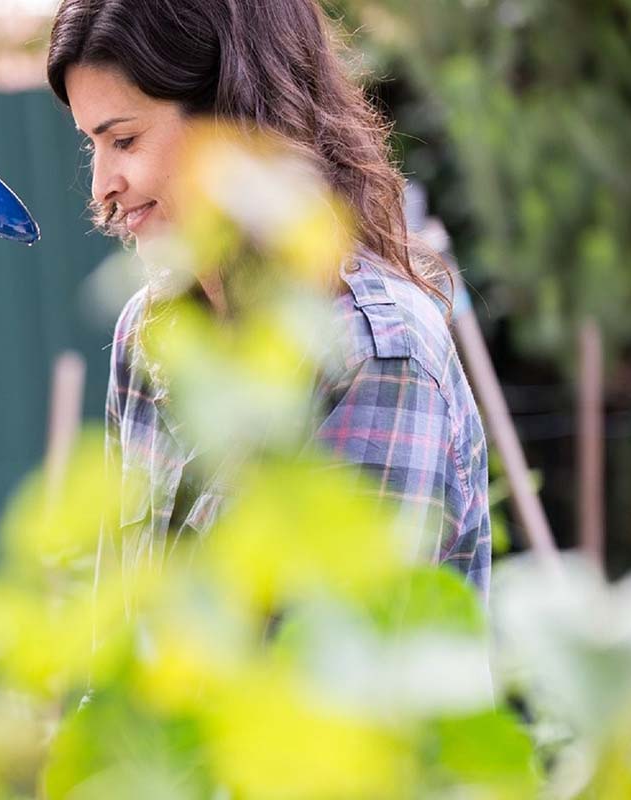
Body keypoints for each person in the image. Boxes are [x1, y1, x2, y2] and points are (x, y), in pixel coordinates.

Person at [46, 0, 491, 596]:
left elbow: (334, 673)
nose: (103, 185)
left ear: (233, 122)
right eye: (91, 146)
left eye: (124, 140)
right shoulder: (150, 329)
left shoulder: (374, 355)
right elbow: (118, 634)